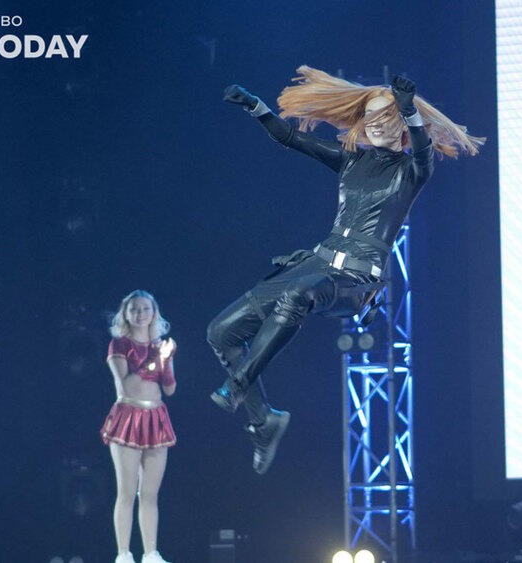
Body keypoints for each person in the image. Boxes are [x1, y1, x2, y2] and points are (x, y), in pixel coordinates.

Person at [207, 66, 483, 474]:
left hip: (356, 280)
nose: (377, 124)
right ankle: (263, 421)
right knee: (221, 332)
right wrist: (255, 106)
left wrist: (409, 110)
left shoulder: (411, 171)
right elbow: (292, 138)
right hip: (317, 263)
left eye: (387, 117)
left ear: (402, 127)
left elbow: (424, 151)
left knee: (299, 294)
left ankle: (239, 384)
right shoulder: (352, 160)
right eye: (371, 117)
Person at [100, 290, 177, 563]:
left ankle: (151, 553)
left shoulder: (159, 345)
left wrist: (166, 360)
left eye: (145, 309)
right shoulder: (119, 345)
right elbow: (126, 386)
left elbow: (170, 388)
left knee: (150, 493)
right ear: (125, 314)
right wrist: (155, 360)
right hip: (128, 417)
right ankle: (123, 554)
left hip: (156, 418)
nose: (140, 314)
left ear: (154, 313)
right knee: (127, 491)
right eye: (134, 309)